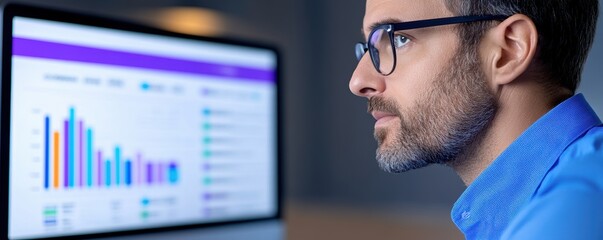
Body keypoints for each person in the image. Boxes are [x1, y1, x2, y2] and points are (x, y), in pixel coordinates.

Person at [349, 0, 601, 239]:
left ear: (508, 50)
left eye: (398, 39)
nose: (358, 81)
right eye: (370, 47)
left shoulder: (578, 205)